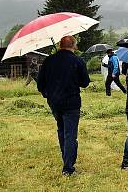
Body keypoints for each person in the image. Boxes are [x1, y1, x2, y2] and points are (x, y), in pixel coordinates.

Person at [36, 36, 91, 176]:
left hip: (55, 103)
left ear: (60, 45)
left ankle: (66, 160)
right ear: (74, 46)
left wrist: (48, 95)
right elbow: (85, 82)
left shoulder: (49, 61)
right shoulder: (77, 61)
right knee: (70, 134)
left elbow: (40, 84)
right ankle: (68, 168)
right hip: (71, 103)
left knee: (61, 131)